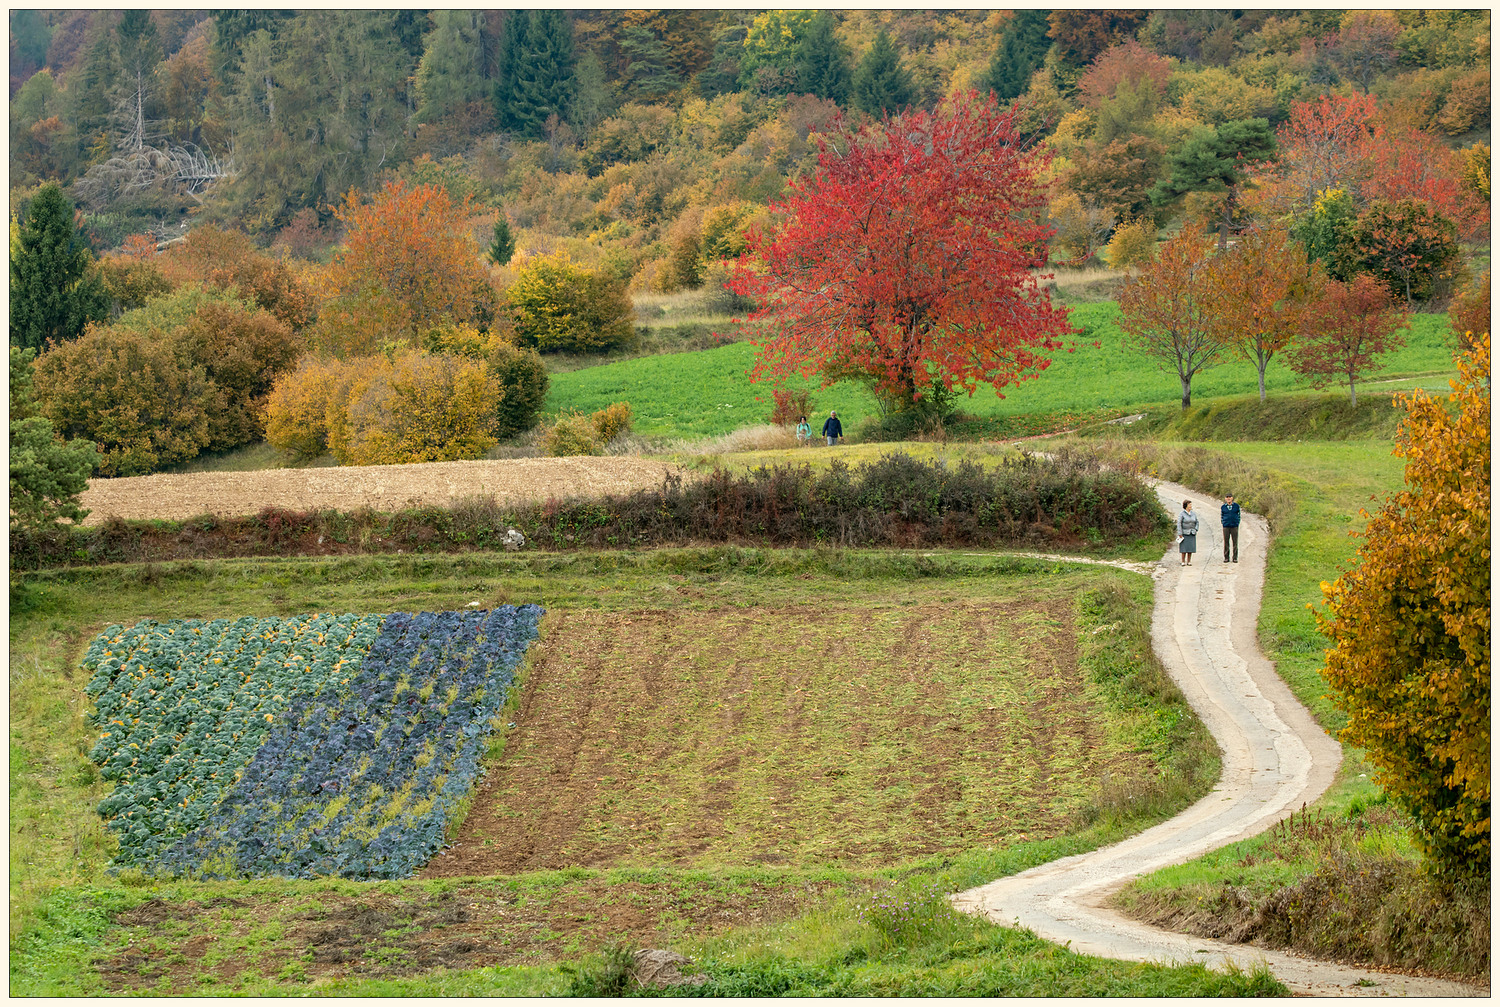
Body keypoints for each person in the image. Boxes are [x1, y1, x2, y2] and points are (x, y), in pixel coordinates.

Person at [1176, 499, 1198, 566]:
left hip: (1192, 532)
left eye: (1191, 504)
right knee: (1184, 548)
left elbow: (1197, 522)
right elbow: (1179, 523)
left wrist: (1196, 529)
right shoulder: (1182, 514)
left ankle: (1189, 561)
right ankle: (1183, 561)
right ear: (1186, 506)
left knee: (1190, 547)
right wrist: (1180, 533)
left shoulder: (1193, 513)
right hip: (1184, 532)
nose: (1191, 506)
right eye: (1189, 505)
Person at [1220, 492, 1241, 563]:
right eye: (1227, 497)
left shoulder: (1236, 506)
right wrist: (1223, 522)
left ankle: (1235, 557)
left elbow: (1239, 515)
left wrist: (1237, 522)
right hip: (1226, 526)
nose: (1228, 498)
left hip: (1234, 526)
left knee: (1235, 542)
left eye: (1229, 497)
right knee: (1226, 542)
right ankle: (1226, 557)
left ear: (1232, 498)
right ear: (1225, 499)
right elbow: (1222, 516)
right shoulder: (1223, 507)